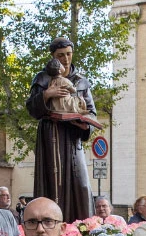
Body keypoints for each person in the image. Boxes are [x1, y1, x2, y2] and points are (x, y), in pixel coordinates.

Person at [26, 36, 96, 223]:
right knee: (52, 183)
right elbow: (31, 108)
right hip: (50, 137)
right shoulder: (42, 78)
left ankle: (81, 228)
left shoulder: (81, 81)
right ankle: (51, 225)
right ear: (53, 56)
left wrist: (85, 124)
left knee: (80, 185)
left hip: (72, 140)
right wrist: (47, 94)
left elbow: (92, 113)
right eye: (61, 55)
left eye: (68, 54)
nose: (65, 59)